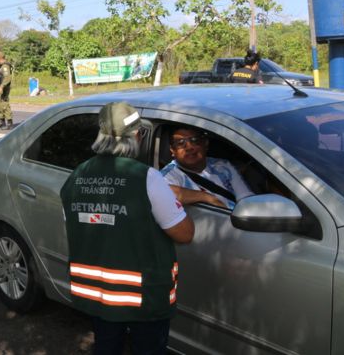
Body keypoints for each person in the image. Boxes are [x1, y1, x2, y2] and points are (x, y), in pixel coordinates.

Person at [60, 102, 194, 355]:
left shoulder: (76, 175)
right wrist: (184, 199)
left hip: (98, 296)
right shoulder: (147, 177)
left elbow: (82, 226)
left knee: (106, 348)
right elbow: (184, 234)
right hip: (143, 299)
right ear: (136, 135)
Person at [160, 126, 254, 210]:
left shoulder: (223, 165)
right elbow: (160, 192)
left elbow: (246, 199)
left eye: (194, 140)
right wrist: (206, 197)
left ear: (205, 143)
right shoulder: (169, 175)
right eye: (180, 143)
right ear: (172, 150)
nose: (189, 147)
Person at [0, 51, 13, 130]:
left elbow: (7, 78)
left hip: (3, 88)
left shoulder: (5, 66)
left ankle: (9, 123)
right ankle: (2, 122)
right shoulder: (0, 66)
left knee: (4, 104)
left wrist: (1, 86)